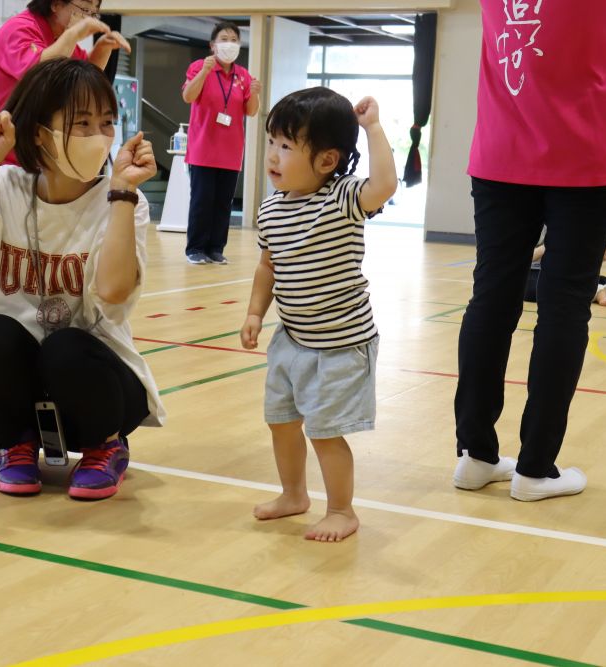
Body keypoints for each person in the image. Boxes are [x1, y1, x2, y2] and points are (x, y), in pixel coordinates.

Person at [0, 58, 164, 500]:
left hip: (98, 387)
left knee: (65, 345)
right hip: (15, 388)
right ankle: (16, 443)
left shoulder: (124, 198)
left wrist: (124, 193)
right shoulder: (4, 187)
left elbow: (112, 291)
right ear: (39, 133)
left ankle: (103, 446)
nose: (99, 136)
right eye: (81, 124)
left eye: (106, 123)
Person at [452, 1, 606, 501]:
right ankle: (535, 468)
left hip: (501, 148)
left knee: (491, 297)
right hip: (587, 146)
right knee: (563, 305)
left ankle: (475, 456)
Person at [240, 88, 397, 541]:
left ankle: (343, 510)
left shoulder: (344, 197)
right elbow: (268, 267)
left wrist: (372, 128)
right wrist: (255, 312)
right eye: (272, 142)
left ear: (327, 161)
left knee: (325, 432)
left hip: (342, 344)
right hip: (291, 339)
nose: (273, 155)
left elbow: (384, 184)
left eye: (287, 146)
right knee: (282, 421)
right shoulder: (271, 208)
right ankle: (294, 494)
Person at [0, 0, 130, 179]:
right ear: (55, 4)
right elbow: (40, 74)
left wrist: (103, 47)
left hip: (30, 154)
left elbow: (81, 83)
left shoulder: (61, 42)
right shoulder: (19, 29)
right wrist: (74, 33)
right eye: (84, 9)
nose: (88, 18)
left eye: (93, 12)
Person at [181, 20, 261, 265]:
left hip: (231, 151)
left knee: (222, 204)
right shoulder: (198, 67)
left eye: (234, 40)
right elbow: (188, 96)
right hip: (203, 149)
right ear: (213, 45)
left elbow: (251, 111)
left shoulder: (243, 75)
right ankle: (195, 248)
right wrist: (205, 72)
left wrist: (255, 92)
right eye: (224, 39)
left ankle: (216, 248)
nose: (230, 44)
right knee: (202, 201)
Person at [526, 240, 606, 307]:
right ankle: (598, 293)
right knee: (538, 290)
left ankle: (588, 290)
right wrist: (547, 247)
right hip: (529, 273)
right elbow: (515, 259)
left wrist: (599, 256)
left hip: (561, 272)